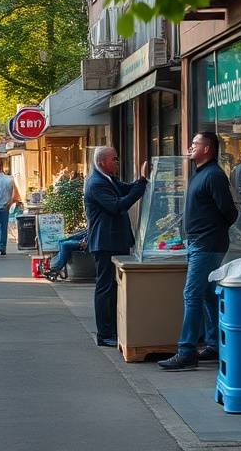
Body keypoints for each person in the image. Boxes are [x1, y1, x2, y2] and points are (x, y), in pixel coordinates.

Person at [159, 131, 238, 371]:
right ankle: (214, 344)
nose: (190, 147)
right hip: (198, 243)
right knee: (205, 294)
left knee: (191, 295)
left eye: (195, 144)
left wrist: (211, 232)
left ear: (207, 149)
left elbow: (230, 212)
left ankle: (186, 351)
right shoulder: (200, 174)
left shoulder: (214, 175)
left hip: (207, 244)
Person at [84, 146, 150, 347]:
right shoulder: (96, 183)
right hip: (105, 242)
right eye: (115, 158)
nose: (117, 161)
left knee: (114, 288)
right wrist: (141, 185)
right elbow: (118, 205)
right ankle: (104, 333)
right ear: (103, 162)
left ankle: (113, 328)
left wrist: (141, 181)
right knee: (105, 288)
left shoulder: (109, 179)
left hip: (115, 241)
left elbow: (125, 189)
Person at [0, 160, 21, 255]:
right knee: (3, 227)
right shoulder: (9, 179)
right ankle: (2, 247)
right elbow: (15, 195)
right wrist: (10, 204)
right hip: (4, 207)